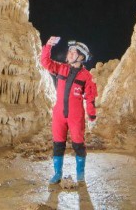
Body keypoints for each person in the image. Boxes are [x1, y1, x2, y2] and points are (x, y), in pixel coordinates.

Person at [40, 35, 98, 184]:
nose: (70, 54)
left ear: (81, 57)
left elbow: (90, 97)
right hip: (59, 114)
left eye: (74, 52)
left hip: (75, 116)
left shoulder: (86, 76)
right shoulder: (61, 68)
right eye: (69, 51)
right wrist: (48, 46)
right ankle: (57, 174)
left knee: (78, 144)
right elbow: (45, 62)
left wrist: (91, 115)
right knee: (58, 144)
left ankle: (80, 175)